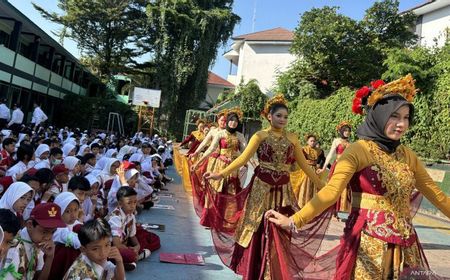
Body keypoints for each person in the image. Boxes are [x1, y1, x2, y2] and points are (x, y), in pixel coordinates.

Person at [266, 75, 450, 279]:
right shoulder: (358, 151)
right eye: (395, 116)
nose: (401, 124)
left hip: (407, 248)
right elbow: (330, 192)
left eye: (406, 118)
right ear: (379, 116)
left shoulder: (408, 155)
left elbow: (437, 196)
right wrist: (294, 220)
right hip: (368, 243)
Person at [205, 95, 326, 280]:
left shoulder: (293, 138)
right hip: (261, 187)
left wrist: (321, 185)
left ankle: (275, 270)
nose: (283, 120)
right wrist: (219, 174)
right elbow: (243, 159)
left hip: (283, 190)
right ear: (269, 116)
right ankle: (256, 269)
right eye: (279, 115)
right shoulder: (259, 135)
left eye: (285, 116)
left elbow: (303, 165)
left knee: (281, 226)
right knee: (256, 225)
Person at [193, 107, 247, 227]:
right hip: (219, 166)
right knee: (216, 193)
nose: (233, 123)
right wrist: (198, 161)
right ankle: (210, 220)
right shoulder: (220, 133)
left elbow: (246, 152)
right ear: (227, 121)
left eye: (236, 121)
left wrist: (253, 164)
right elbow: (210, 148)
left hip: (233, 169)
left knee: (230, 194)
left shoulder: (240, 136)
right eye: (231, 120)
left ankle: (226, 222)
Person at [1, 203, 66, 280]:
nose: (48, 237)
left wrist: (50, 257)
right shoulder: (14, 249)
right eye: (44, 232)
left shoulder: (37, 243)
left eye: (53, 232)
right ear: (29, 225)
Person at [106, 186, 151, 271]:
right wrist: (131, 250)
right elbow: (117, 245)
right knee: (129, 255)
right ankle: (133, 258)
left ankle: (132, 258)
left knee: (150, 237)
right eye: (129, 203)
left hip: (125, 243)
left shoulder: (131, 216)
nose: (133, 206)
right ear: (120, 203)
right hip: (112, 247)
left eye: (134, 202)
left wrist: (137, 246)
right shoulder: (115, 217)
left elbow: (132, 236)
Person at [318, 120, 353, 218]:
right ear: (341, 131)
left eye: (348, 130)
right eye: (345, 130)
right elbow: (329, 155)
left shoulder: (351, 143)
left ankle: (342, 210)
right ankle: (332, 209)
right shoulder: (336, 141)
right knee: (335, 187)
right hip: (337, 166)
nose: (347, 132)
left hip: (347, 167)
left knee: (346, 187)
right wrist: (324, 168)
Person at [292, 134, 322, 208]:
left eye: (314, 141)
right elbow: (297, 157)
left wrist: (320, 166)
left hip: (315, 170)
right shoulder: (304, 149)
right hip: (306, 169)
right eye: (311, 141)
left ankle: (313, 204)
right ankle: (302, 204)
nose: (312, 142)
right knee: (305, 185)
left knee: (315, 186)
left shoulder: (319, 150)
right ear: (307, 142)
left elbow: (322, 159)